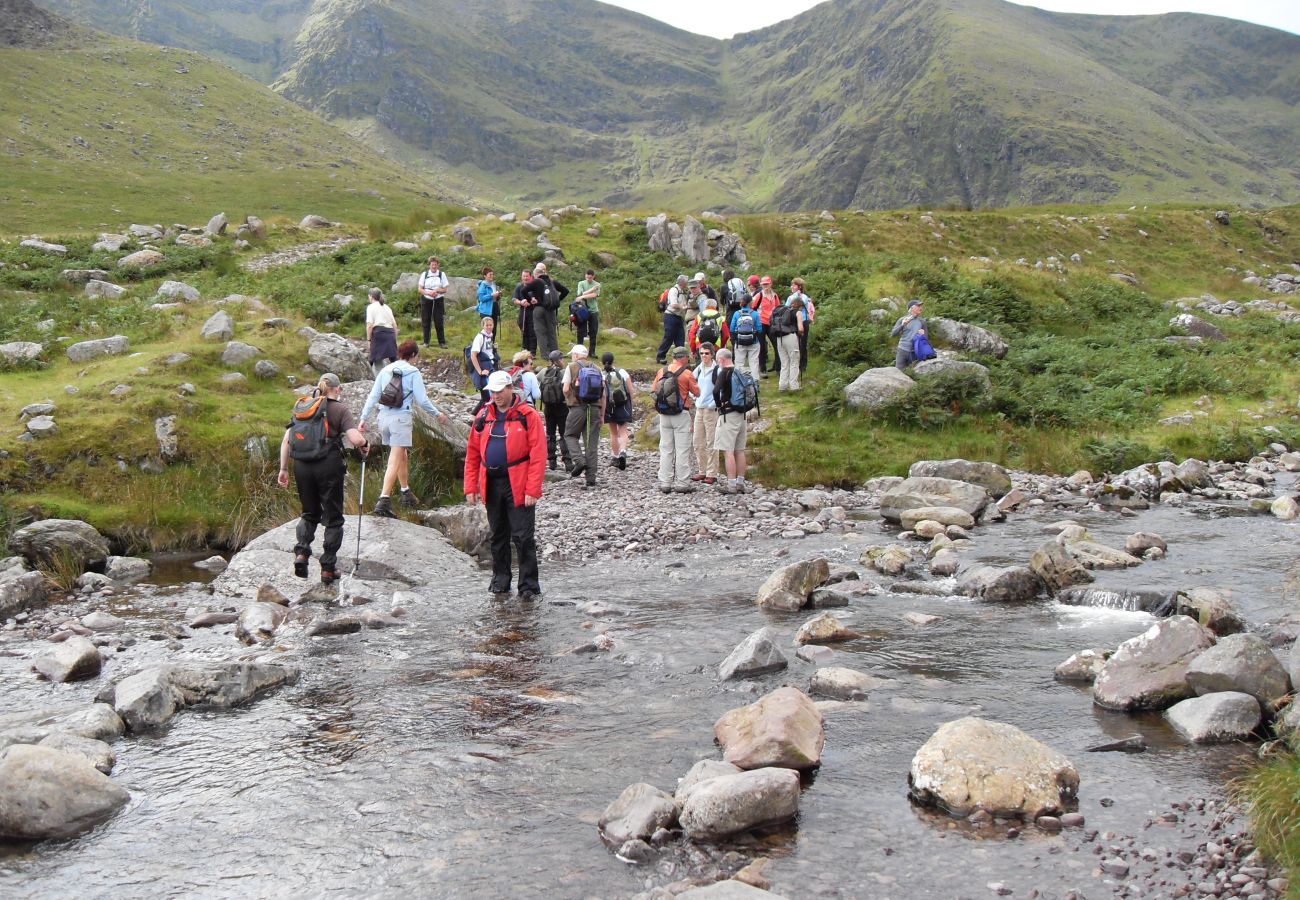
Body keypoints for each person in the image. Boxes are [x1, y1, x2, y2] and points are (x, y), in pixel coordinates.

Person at [277, 373, 369, 584]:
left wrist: (283, 469)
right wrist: (364, 442)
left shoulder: (303, 407)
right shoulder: (339, 409)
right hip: (328, 466)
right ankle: (328, 567)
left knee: (309, 512)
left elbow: (286, 441)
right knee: (333, 517)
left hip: (301, 466)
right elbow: (354, 438)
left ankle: (302, 553)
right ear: (337, 389)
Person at [464, 370, 546, 600]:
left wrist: (532, 489)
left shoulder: (528, 415)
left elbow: (539, 455)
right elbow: (472, 453)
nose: (496, 395)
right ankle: (500, 581)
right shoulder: (483, 416)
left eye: (500, 391)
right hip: (491, 482)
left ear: (511, 389)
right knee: (498, 534)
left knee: (523, 536)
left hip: (518, 482)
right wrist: (471, 487)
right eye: (492, 391)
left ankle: (528, 585)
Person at [360, 340, 452, 517]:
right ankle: (384, 500)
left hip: (383, 418)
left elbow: (374, 395)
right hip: (400, 418)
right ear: (413, 356)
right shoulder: (413, 372)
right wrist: (437, 414)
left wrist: (363, 418)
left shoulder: (386, 369)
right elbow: (422, 400)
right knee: (395, 458)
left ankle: (405, 492)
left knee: (402, 454)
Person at [652, 346, 700, 493]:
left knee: (666, 449)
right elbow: (697, 392)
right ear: (683, 357)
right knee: (682, 450)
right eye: (687, 358)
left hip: (664, 415)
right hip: (681, 414)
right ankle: (682, 483)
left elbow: (654, 390)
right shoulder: (687, 373)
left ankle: (665, 483)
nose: (688, 360)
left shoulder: (662, 371)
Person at [562, 344, 605, 487]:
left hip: (577, 407)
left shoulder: (571, 367)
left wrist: (568, 398)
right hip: (594, 408)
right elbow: (603, 394)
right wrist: (602, 414)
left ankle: (579, 461)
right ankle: (591, 477)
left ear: (575, 355)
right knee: (591, 442)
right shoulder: (598, 368)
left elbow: (566, 388)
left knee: (570, 435)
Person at [712, 349, 750, 494]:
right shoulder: (740, 372)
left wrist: (719, 405)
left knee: (728, 451)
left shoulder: (725, 373)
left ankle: (731, 485)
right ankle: (740, 483)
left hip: (728, 414)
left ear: (721, 359)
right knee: (739, 450)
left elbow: (716, 391)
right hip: (742, 414)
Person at [691, 343, 720, 485]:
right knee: (697, 441)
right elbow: (690, 381)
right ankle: (702, 470)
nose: (704, 356)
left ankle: (712, 472)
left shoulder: (717, 370)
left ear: (712, 354)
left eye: (707, 353)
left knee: (711, 441)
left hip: (711, 409)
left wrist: (715, 403)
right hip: (699, 408)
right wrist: (693, 396)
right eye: (701, 353)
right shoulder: (699, 368)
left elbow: (722, 388)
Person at [537, 349, 571, 471]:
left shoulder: (543, 371)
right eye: (562, 359)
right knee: (564, 434)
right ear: (559, 360)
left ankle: (552, 460)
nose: (563, 361)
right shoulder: (564, 372)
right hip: (562, 407)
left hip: (548, 407)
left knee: (550, 434)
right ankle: (568, 461)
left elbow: (537, 384)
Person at [525, 262, 567, 359]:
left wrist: (531, 300)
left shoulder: (536, 282)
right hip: (551, 309)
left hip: (539, 309)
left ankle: (545, 355)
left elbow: (524, 290)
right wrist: (556, 300)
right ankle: (555, 353)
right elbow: (565, 291)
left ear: (536, 273)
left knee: (540, 332)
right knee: (552, 332)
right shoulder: (552, 282)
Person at [601, 351, 633, 470]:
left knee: (613, 433)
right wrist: (630, 404)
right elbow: (630, 390)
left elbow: (602, 394)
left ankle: (615, 457)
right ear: (613, 360)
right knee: (623, 432)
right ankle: (623, 452)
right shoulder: (622, 372)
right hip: (623, 404)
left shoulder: (601, 374)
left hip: (609, 406)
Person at [656, 274, 689, 365]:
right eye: (686, 281)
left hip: (679, 317)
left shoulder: (682, 291)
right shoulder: (674, 290)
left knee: (680, 338)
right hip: (670, 316)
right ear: (682, 282)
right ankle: (660, 357)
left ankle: (681, 357)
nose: (687, 283)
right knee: (669, 337)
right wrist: (683, 306)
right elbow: (673, 304)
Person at [773, 296, 805, 391]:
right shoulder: (798, 313)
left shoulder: (783, 312)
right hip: (791, 337)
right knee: (794, 362)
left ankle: (782, 386)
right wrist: (801, 334)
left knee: (784, 363)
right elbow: (800, 328)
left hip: (780, 337)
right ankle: (794, 386)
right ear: (800, 306)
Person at [417, 256, 449, 348]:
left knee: (439, 321)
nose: (434, 266)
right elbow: (420, 289)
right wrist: (428, 292)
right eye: (432, 265)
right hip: (426, 299)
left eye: (435, 265)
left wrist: (438, 291)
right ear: (429, 265)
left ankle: (442, 343)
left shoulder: (442, 274)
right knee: (426, 321)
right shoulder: (425, 274)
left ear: (438, 265)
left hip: (438, 299)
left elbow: (445, 289)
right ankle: (426, 342)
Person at [365, 287, 398, 376]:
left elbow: (369, 325)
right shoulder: (387, 307)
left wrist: (368, 339)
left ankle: (374, 380)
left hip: (378, 334)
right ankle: (399, 378)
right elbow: (395, 325)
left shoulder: (371, 307)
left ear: (371, 296)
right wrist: (395, 339)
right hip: (390, 333)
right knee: (394, 359)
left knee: (375, 359)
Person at [468, 316, 498, 413]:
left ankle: (482, 415)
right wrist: (480, 371)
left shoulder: (490, 336)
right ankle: (474, 415)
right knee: (486, 396)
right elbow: (473, 356)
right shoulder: (480, 337)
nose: (489, 327)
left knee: (488, 396)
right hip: (483, 369)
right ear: (483, 326)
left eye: (491, 325)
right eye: (487, 325)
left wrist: (494, 348)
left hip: (490, 367)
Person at [729, 296, 763, 381]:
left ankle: (738, 381)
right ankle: (755, 382)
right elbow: (759, 329)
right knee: (754, 362)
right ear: (749, 303)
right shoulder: (755, 314)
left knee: (739, 362)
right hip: (753, 341)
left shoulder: (737, 313)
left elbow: (732, 328)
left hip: (740, 341)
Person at [753, 275, 781, 377]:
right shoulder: (758, 296)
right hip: (760, 323)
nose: (765, 286)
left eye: (767, 284)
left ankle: (778, 368)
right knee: (761, 346)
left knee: (777, 345)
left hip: (772, 323)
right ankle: (762, 369)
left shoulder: (775, 296)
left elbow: (778, 308)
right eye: (763, 284)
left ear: (770, 284)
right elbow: (752, 308)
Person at [787, 277, 815, 375]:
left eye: (794, 285)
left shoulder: (804, 297)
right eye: (792, 285)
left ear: (799, 287)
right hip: (793, 322)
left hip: (803, 321)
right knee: (794, 343)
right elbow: (787, 307)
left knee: (803, 343)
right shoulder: (790, 297)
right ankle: (794, 363)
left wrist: (795, 296)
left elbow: (801, 303)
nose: (791, 287)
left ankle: (803, 365)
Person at [891, 299, 927, 370]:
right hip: (902, 350)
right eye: (918, 306)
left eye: (921, 306)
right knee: (898, 372)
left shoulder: (922, 321)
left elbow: (926, 340)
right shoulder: (902, 319)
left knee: (913, 375)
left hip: (915, 352)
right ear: (912, 308)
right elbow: (893, 334)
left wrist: (922, 336)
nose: (921, 308)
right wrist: (902, 325)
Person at [573, 269, 601, 357]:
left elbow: (594, 295)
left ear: (593, 276)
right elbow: (580, 293)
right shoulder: (581, 283)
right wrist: (592, 289)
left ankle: (592, 352)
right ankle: (579, 351)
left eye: (590, 277)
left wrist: (583, 296)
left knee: (593, 331)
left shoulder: (597, 284)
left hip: (593, 310)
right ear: (585, 276)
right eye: (587, 277)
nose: (588, 279)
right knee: (581, 331)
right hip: (582, 310)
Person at [513, 269, 537, 354]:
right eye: (524, 276)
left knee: (532, 330)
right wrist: (521, 302)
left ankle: (532, 351)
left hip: (533, 310)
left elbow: (538, 298)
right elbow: (514, 299)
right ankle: (525, 349)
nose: (525, 278)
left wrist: (532, 301)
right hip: (523, 310)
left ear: (530, 277)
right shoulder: (519, 286)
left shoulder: (534, 286)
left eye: (527, 276)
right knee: (523, 328)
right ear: (521, 277)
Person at [477, 267, 502, 335]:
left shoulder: (493, 284)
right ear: (485, 276)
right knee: (486, 328)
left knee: (493, 327)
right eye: (490, 275)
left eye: (492, 274)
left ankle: (492, 344)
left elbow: (495, 297)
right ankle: (485, 343)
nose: (492, 276)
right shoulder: (482, 285)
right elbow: (481, 298)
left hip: (494, 306)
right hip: (486, 309)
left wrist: (498, 295)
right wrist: (491, 295)